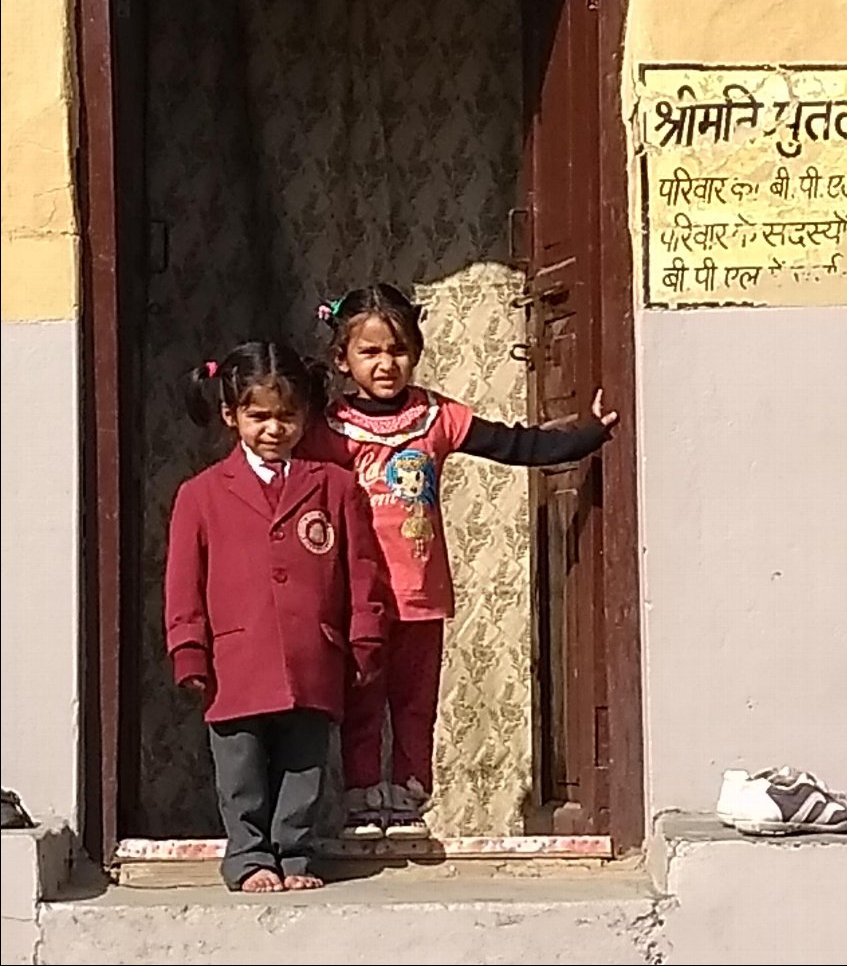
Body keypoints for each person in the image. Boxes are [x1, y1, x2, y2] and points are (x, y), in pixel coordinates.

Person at [299, 284, 619, 841]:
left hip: (420, 594)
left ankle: (407, 801)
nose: (385, 364)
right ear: (341, 359)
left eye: (397, 350)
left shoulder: (436, 417)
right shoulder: (325, 432)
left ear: (417, 351)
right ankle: (360, 802)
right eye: (369, 353)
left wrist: (589, 435)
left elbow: (518, 446)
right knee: (362, 700)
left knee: (415, 703)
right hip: (355, 599)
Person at [164, 341, 387, 892]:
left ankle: (294, 854)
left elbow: (361, 569)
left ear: (306, 415)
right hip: (235, 658)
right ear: (230, 415)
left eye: (286, 415)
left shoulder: (334, 486)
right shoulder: (201, 495)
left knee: (304, 765)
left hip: (314, 653)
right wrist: (189, 647)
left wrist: (364, 638)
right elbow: (183, 581)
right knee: (240, 770)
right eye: (258, 415)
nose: (274, 428)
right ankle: (248, 856)